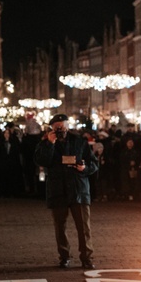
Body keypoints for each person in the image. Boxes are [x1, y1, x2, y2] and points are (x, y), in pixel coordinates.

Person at [34, 114, 99, 269]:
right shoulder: (45, 143)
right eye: (56, 128)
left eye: (62, 127)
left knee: (83, 227)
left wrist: (84, 168)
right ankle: (64, 256)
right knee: (60, 226)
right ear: (52, 129)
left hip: (78, 189)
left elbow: (93, 163)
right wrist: (50, 144)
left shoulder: (79, 141)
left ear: (67, 126)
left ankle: (87, 258)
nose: (60, 131)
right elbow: (41, 161)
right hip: (58, 190)